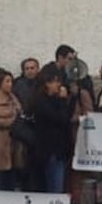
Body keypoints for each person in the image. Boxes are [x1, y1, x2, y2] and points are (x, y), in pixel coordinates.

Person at [28, 65, 70, 194]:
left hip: (59, 150)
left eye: (59, 81)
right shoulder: (41, 102)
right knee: (54, 188)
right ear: (47, 83)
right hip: (49, 151)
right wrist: (63, 101)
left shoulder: (54, 100)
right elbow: (61, 119)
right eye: (55, 82)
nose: (58, 85)